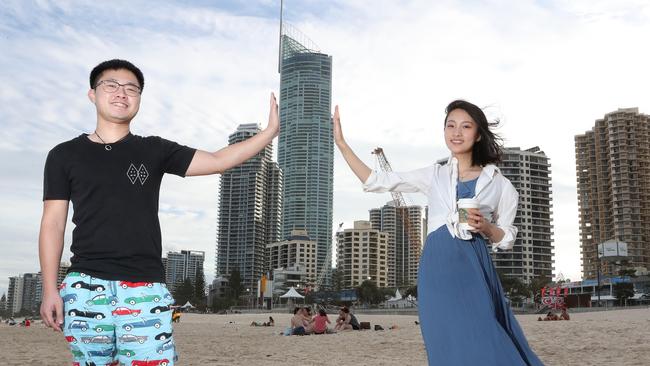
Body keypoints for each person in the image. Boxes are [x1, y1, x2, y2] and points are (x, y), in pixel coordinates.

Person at [38, 59, 279, 366]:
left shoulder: (154, 150)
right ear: (92, 94)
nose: (121, 93)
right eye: (111, 85)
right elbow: (53, 223)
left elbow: (219, 160)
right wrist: (49, 289)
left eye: (131, 89)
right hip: (85, 285)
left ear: (139, 98)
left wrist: (270, 132)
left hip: (145, 285)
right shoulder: (63, 155)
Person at [333, 101, 543, 365]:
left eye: (465, 126)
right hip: (435, 267)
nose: (456, 132)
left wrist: (487, 227)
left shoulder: (501, 184)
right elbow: (377, 180)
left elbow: (508, 239)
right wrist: (341, 143)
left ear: (478, 134)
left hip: (472, 264)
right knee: (444, 340)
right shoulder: (435, 174)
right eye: (450, 126)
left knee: (485, 334)